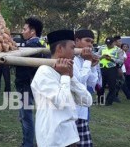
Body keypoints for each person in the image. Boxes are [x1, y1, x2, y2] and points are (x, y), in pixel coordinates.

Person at [31, 29, 93, 147]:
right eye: (72, 48)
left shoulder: (66, 72)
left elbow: (87, 101)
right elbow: (62, 102)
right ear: (60, 48)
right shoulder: (44, 71)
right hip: (53, 139)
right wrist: (65, 76)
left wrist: (71, 78)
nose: (74, 52)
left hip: (70, 137)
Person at [15, 16, 45, 147]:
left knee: (26, 117)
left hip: (25, 85)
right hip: (28, 85)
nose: (22, 31)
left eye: (24, 29)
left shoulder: (31, 45)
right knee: (25, 116)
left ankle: (27, 144)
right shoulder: (38, 45)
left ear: (32, 31)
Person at [73, 29, 99, 147]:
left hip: (82, 108)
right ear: (77, 41)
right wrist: (88, 62)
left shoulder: (84, 59)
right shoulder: (71, 58)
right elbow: (78, 81)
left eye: (92, 42)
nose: (90, 44)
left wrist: (93, 66)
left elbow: (92, 83)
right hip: (72, 110)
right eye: (87, 41)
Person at [97, 37, 124, 105]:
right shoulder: (102, 47)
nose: (108, 45)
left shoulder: (119, 50)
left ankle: (109, 101)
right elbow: (96, 56)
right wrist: (102, 57)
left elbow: (121, 60)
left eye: (110, 44)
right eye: (107, 44)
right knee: (100, 86)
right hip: (102, 68)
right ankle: (100, 101)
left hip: (112, 69)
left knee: (112, 86)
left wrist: (111, 59)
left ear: (114, 43)